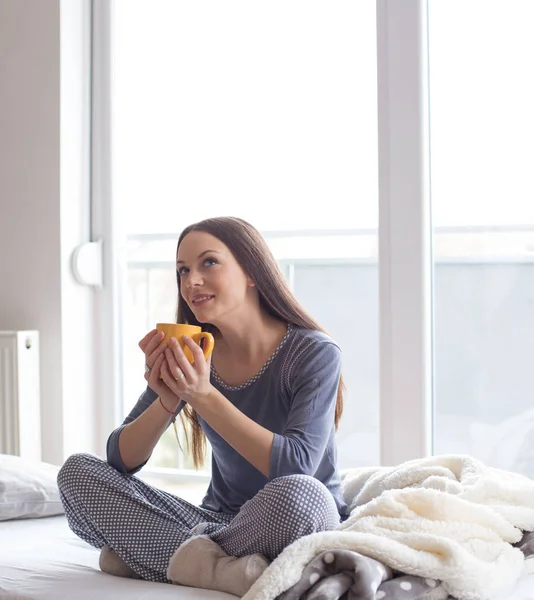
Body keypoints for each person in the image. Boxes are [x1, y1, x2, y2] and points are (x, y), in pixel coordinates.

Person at [57, 216, 348, 596]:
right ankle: (214, 567)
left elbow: (296, 466)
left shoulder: (313, 353)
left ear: (251, 272)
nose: (190, 281)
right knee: (76, 473)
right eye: (182, 270)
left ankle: (163, 557)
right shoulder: (196, 351)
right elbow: (119, 460)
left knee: (303, 496)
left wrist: (203, 395)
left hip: (295, 516)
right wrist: (168, 400)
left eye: (208, 263)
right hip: (215, 521)